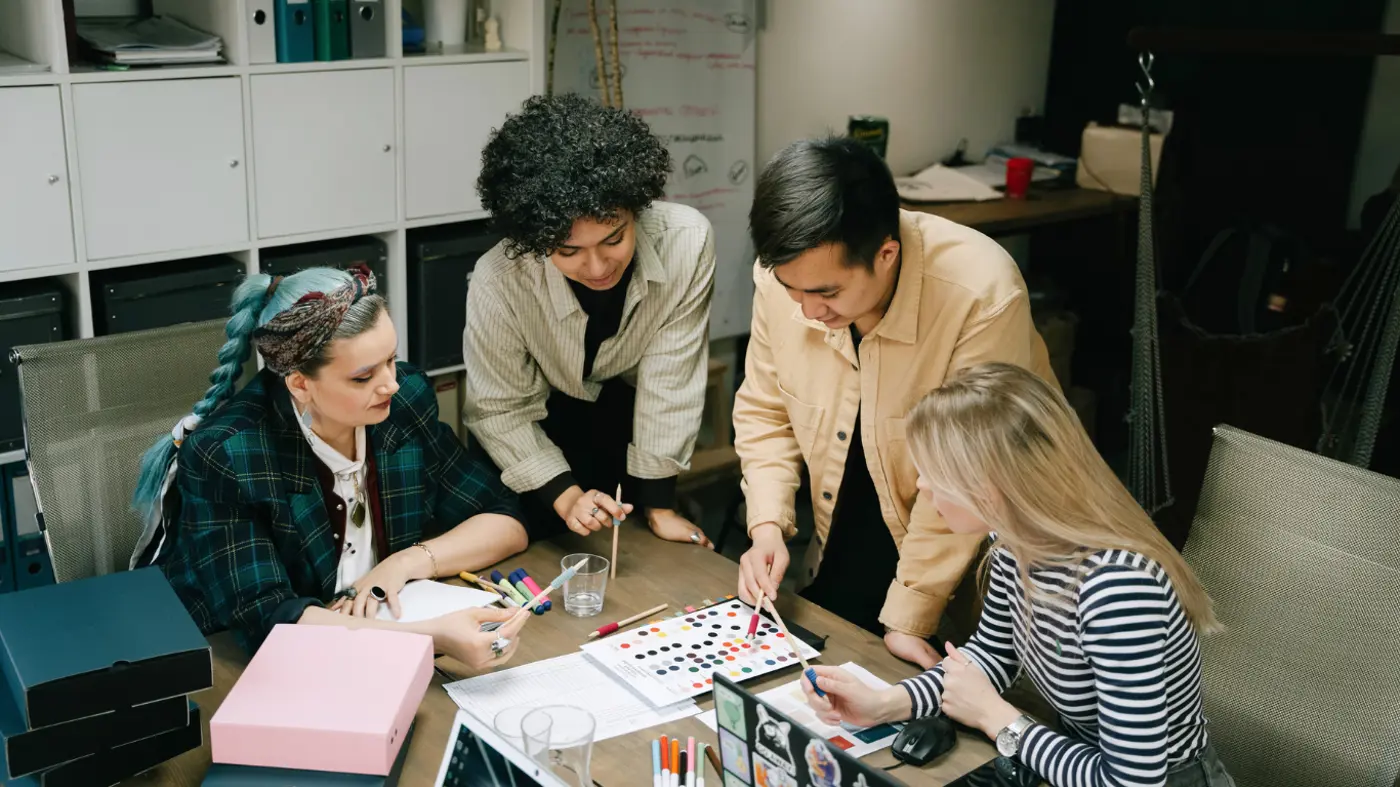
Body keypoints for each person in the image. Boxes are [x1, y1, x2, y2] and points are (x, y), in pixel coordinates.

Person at [801, 363, 1234, 787]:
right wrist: (885, 704)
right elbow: (993, 655)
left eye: (934, 473)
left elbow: (1133, 780)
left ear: (989, 485)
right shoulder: (1015, 546)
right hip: (1071, 759)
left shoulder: (1116, 589)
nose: (923, 487)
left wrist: (997, 717)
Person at [733, 136, 1056, 666]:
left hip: (968, 558)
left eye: (828, 294)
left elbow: (969, 474)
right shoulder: (785, 277)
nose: (809, 310)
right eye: (794, 291)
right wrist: (766, 523)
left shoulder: (980, 293)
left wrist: (912, 613)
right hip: (844, 528)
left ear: (886, 254)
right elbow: (766, 410)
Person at [131, 266, 530, 670]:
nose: (390, 383)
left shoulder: (403, 403)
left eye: (391, 359)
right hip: (240, 666)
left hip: (371, 638)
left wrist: (404, 563)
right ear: (300, 384)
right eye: (363, 376)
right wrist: (433, 636)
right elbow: (271, 621)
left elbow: (504, 519)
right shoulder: (230, 454)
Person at [464, 93, 716, 548]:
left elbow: (670, 380)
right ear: (536, 240)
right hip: (528, 434)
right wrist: (565, 495)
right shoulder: (498, 279)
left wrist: (659, 505)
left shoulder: (687, 242)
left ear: (637, 208)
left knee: (631, 556)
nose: (598, 268)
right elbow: (500, 408)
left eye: (614, 239)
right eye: (568, 251)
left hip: (623, 418)